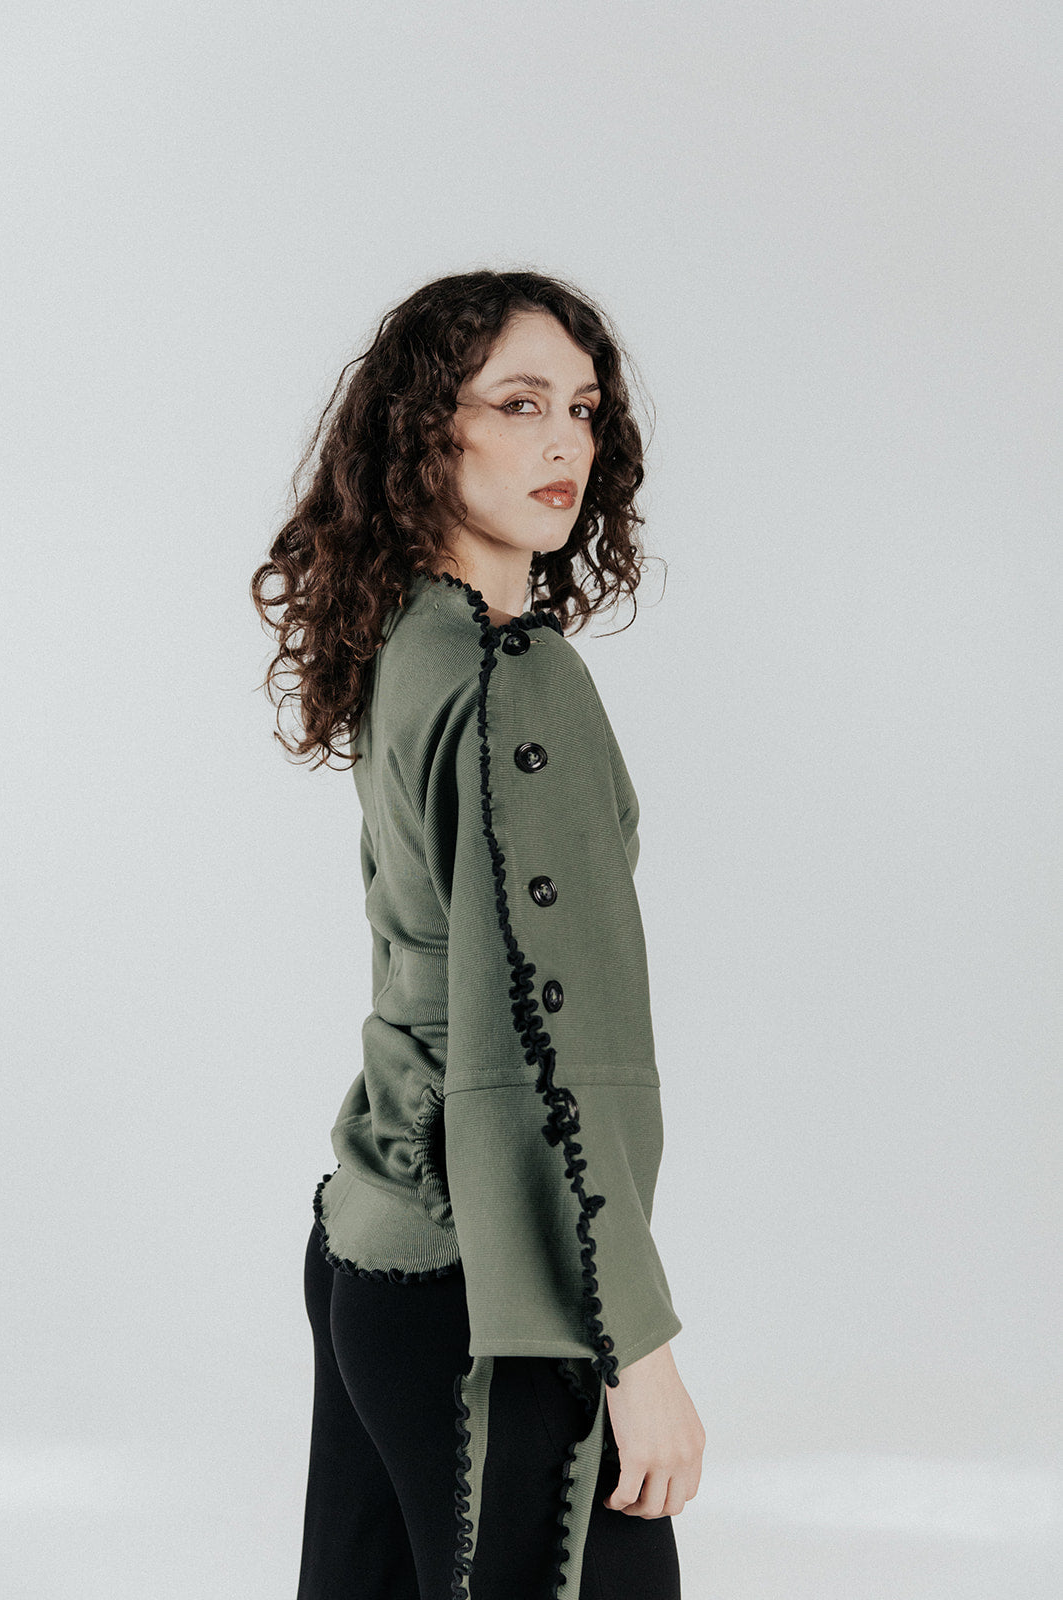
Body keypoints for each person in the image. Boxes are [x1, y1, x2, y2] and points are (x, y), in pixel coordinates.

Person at [251, 268, 706, 1600]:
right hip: (491, 1296)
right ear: (424, 432)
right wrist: (637, 1350)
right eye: (518, 404)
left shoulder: (411, 645)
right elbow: (555, 1050)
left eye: (583, 407)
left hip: (368, 1249)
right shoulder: (518, 678)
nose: (566, 441)